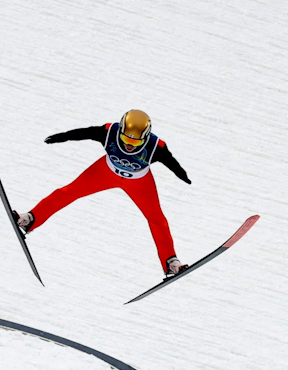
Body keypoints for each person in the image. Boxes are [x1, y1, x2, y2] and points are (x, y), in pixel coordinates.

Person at [14, 110, 191, 276]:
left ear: (145, 137)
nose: (129, 146)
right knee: (68, 192)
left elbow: (171, 162)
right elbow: (86, 133)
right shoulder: (109, 132)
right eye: (126, 140)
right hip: (106, 172)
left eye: (135, 143)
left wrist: (182, 175)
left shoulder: (156, 146)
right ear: (121, 131)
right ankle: (29, 219)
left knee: (157, 219)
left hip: (139, 181)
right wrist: (63, 137)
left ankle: (171, 263)